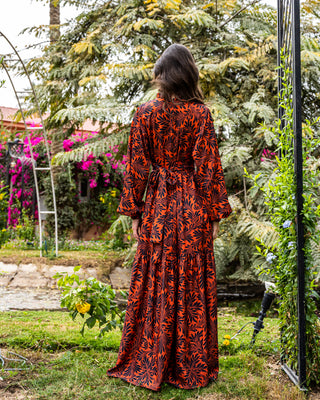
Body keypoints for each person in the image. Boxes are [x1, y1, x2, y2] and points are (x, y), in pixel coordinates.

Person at [107, 43, 232, 391]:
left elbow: (137, 165)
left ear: (163, 76)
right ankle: (189, 365)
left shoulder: (145, 112)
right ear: (188, 73)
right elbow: (207, 168)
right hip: (191, 208)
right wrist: (215, 212)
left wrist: (134, 211)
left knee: (156, 279)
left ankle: (149, 357)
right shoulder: (200, 115)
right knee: (190, 282)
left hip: (159, 208)